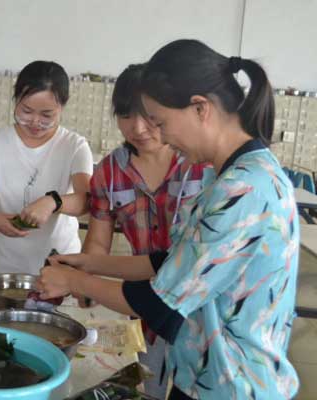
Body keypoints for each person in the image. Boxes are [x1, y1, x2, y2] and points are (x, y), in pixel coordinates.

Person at [38, 39, 299, 399]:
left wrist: (73, 281)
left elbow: (161, 304)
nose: (156, 135)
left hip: (233, 386)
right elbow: (173, 263)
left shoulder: (244, 188)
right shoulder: (222, 176)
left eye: (160, 122)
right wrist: (87, 262)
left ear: (200, 109)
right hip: (203, 376)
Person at [83, 64, 206, 399]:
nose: (137, 128)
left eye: (148, 117)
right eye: (125, 116)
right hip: (142, 308)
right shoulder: (109, 171)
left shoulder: (201, 165)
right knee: (145, 388)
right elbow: (97, 239)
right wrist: (85, 281)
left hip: (198, 312)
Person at [0, 60, 93, 276]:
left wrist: (52, 201)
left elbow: (85, 200)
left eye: (46, 115)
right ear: (15, 100)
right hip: (3, 265)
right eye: (26, 111)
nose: (35, 122)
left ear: (62, 107)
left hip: (59, 264)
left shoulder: (74, 145)